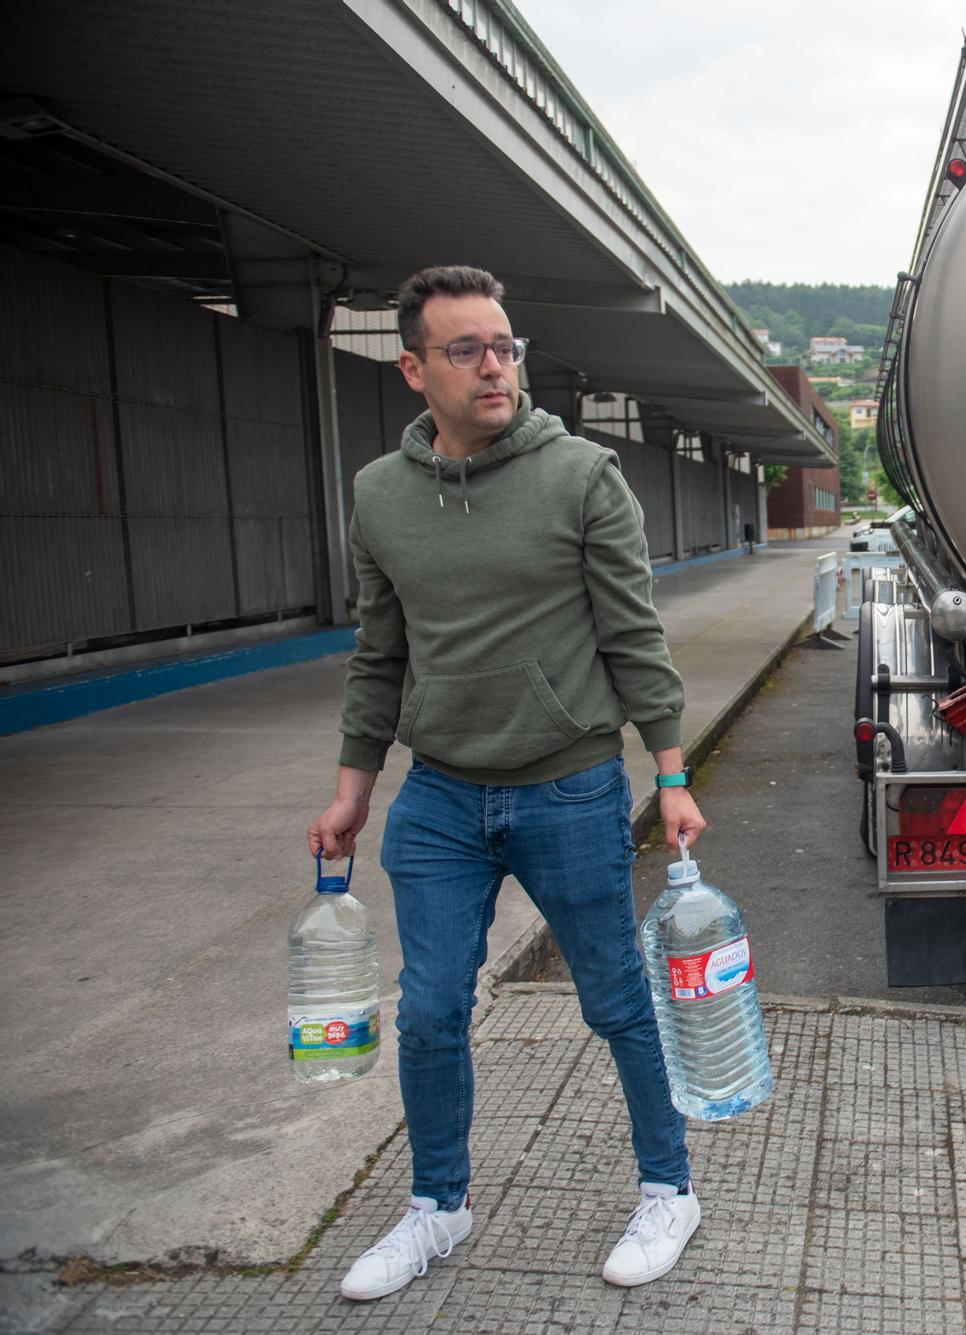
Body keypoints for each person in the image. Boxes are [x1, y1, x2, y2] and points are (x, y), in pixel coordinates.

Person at [308, 265, 709, 1299]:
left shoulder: (580, 475)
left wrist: (669, 772)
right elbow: (378, 657)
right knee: (430, 1010)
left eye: (504, 347)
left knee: (614, 999)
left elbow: (634, 636)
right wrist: (354, 788)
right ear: (413, 369)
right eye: (466, 350)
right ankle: (436, 1206)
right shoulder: (379, 495)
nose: (494, 367)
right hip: (439, 796)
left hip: (567, 786)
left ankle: (669, 1188)